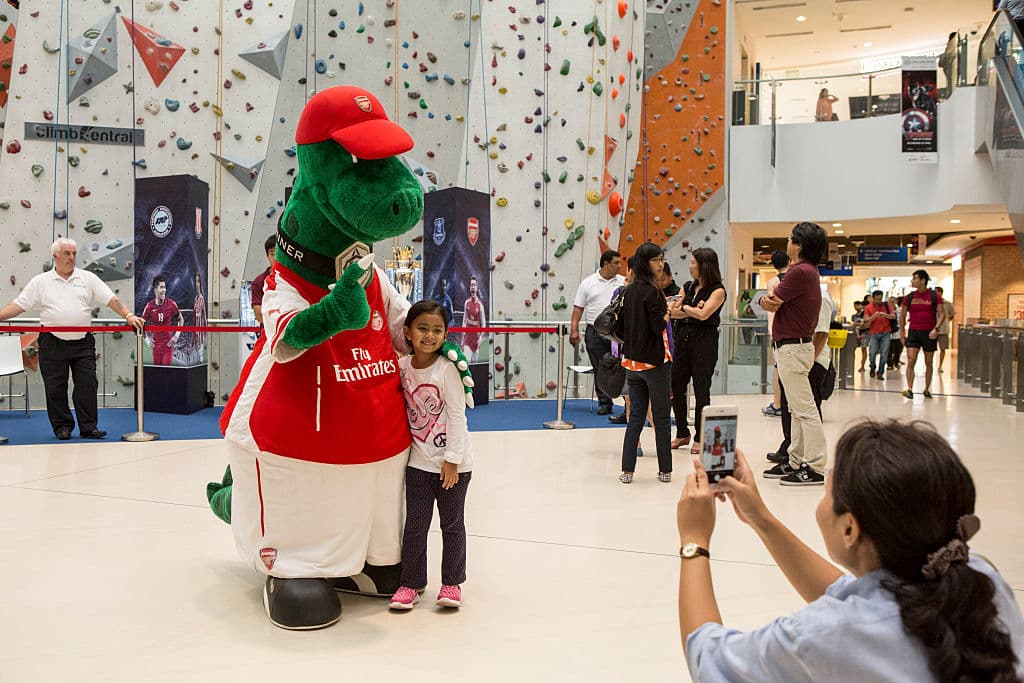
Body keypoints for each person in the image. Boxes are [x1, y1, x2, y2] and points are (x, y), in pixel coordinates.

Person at [676, 419, 1024, 681]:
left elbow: (708, 656)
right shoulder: (977, 578)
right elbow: (855, 597)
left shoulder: (825, 635)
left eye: (827, 490)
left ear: (849, 528)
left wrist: (694, 539)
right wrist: (761, 519)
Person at [0, 237, 144, 440]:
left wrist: (128, 315)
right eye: (67, 253)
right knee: (55, 387)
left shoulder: (88, 278)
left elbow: (111, 299)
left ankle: (89, 427)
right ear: (55, 256)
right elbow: (19, 305)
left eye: (74, 253)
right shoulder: (41, 282)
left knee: (87, 383)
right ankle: (62, 427)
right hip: (52, 341)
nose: (71, 257)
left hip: (83, 342)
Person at [389, 300, 473, 610]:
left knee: (452, 524)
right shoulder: (402, 368)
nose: (429, 335)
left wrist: (452, 458)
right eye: (422, 328)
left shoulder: (446, 369)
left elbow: (456, 414)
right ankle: (411, 583)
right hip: (419, 463)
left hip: (454, 465)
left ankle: (451, 583)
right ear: (408, 332)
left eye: (437, 330)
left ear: (445, 335)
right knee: (415, 526)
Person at [758, 222, 827, 486]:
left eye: (790, 238)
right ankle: (795, 459)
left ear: (798, 244)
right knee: (798, 409)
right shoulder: (808, 271)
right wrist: (769, 301)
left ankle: (817, 465)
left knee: (804, 409)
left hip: (793, 347)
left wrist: (767, 301)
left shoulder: (799, 271)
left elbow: (771, 301)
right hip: (793, 346)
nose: (787, 242)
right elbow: (772, 302)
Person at [616, 242, 673, 484]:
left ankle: (627, 470)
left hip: (632, 363)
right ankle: (665, 470)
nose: (660, 265)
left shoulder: (627, 291)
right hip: (655, 363)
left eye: (661, 259)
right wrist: (668, 311)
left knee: (635, 418)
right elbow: (658, 326)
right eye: (656, 260)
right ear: (645, 262)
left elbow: (619, 327)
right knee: (660, 418)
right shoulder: (653, 292)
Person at [766, 284, 835, 469]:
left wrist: (808, 363)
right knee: (793, 410)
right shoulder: (800, 294)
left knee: (807, 410)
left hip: (811, 361)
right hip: (793, 359)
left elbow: (821, 335)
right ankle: (793, 456)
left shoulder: (820, 296)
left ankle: (812, 461)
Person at [668, 248, 726, 455]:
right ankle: (682, 432)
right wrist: (691, 309)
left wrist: (686, 309)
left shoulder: (718, 290)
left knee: (702, 389)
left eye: (693, 262)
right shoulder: (687, 286)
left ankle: (702, 437)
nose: (690, 266)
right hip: (682, 341)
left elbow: (704, 315)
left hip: (705, 343)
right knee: (676, 386)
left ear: (704, 265)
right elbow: (672, 311)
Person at [570, 250, 625, 418]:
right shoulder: (588, 283)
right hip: (594, 332)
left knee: (622, 367)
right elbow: (578, 307)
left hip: (617, 332)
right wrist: (573, 330)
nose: (619, 265)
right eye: (616, 263)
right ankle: (604, 403)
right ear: (606, 263)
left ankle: (627, 404)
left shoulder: (624, 282)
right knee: (600, 367)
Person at [900, 269, 946, 399]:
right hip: (914, 331)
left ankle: (926, 388)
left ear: (923, 280)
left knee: (928, 361)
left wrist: (936, 329)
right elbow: (902, 316)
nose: (912, 281)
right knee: (910, 360)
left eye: (915, 278)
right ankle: (909, 388)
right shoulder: (909, 297)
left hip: (929, 332)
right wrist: (902, 333)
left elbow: (942, 313)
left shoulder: (934, 296)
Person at [762, 250, 789, 417]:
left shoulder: (773, 281)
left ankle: (778, 404)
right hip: (795, 330)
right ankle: (787, 405)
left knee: (778, 369)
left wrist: (771, 330)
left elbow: (771, 310)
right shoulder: (795, 279)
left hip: (779, 330)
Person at [141, 275, 184, 366]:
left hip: (168, 346)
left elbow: (181, 320)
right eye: (161, 287)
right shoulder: (149, 307)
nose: (164, 290)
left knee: (166, 372)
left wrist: (176, 336)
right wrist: (147, 340)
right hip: (156, 347)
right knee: (158, 374)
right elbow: (141, 325)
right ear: (155, 289)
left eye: (165, 287)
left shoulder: (171, 304)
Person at [863, 289, 896, 380]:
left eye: (880, 299)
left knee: (884, 353)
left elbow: (893, 316)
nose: (878, 301)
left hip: (886, 332)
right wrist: (874, 316)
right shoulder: (868, 307)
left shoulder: (887, 305)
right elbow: (866, 320)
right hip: (873, 333)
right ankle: (872, 367)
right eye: (876, 299)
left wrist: (885, 315)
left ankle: (880, 372)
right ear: (873, 298)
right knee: (872, 353)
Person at [250, 234, 277, 326]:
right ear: (267, 255)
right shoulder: (259, 282)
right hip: (269, 334)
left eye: (279, 254)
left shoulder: (296, 278)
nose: (276, 258)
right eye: (272, 254)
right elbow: (259, 316)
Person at [461, 276, 486, 362]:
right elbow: (464, 321)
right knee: (466, 365)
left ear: (477, 287)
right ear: (469, 288)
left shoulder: (480, 305)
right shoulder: (466, 302)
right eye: (471, 285)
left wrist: (481, 337)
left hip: (476, 342)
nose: (473, 287)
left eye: (474, 285)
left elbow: (483, 324)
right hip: (467, 340)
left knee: (475, 367)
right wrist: (462, 339)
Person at [935, 285, 956, 373]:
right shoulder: (932, 303)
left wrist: (946, 322)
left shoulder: (947, 303)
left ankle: (940, 366)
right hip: (932, 328)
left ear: (940, 292)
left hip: (943, 329)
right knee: (930, 349)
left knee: (942, 348)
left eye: (936, 292)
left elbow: (952, 315)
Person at [191, 272, 207, 358]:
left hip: (200, 332)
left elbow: (202, 316)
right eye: (195, 281)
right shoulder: (195, 298)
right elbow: (195, 317)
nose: (196, 284)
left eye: (198, 281)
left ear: (200, 283)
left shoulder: (201, 299)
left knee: (200, 357)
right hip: (196, 331)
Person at [886, 296, 904, 371]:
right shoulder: (886, 311)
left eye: (893, 302)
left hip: (898, 332)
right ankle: (889, 364)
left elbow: (902, 320)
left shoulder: (900, 310)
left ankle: (896, 362)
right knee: (889, 350)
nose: (892, 303)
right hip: (888, 332)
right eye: (890, 302)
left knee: (898, 349)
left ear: (896, 302)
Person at [851, 300, 869, 372]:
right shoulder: (854, 316)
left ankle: (862, 366)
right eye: (855, 305)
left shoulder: (864, 314)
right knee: (853, 349)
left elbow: (865, 324)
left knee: (864, 349)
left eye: (857, 305)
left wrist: (857, 324)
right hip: (855, 334)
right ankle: (852, 364)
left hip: (864, 333)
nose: (856, 307)